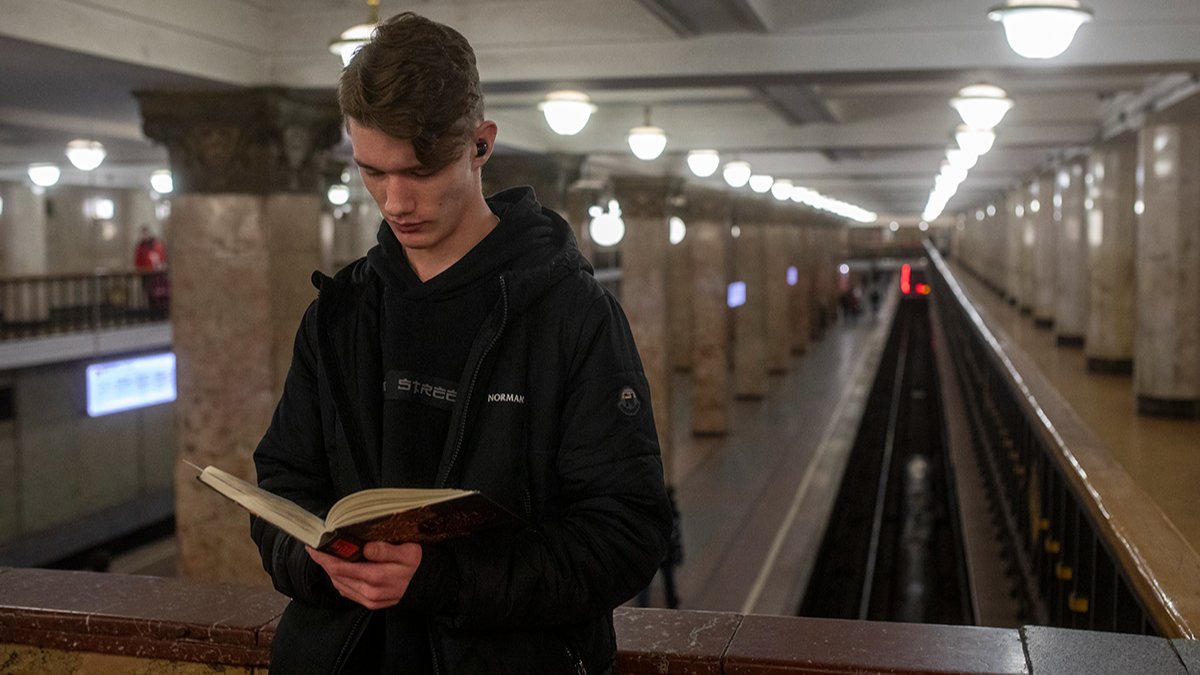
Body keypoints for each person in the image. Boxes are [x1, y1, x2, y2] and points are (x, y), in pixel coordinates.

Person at [250, 12, 671, 674]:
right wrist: (314, 563)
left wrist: (443, 580)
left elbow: (626, 533)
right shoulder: (338, 315)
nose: (395, 201)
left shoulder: (573, 317)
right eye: (371, 172)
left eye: (419, 171)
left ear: (481, 144)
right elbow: (280, 489)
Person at [133, 225, 169, 312]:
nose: (144, 236)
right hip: (146, 273)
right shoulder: (140, 246)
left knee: (159, 292)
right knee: (148, 292)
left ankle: (160, 310)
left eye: (145, 233)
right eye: (142, 234)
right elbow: (138, 260)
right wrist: (140, 269)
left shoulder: (156, 244)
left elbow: (161, 256)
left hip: (157, 273)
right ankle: (151, 310)